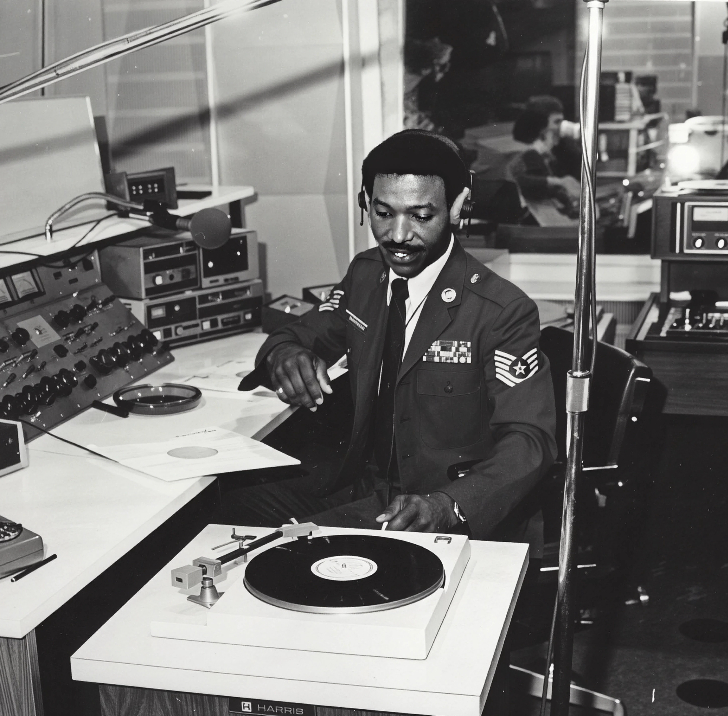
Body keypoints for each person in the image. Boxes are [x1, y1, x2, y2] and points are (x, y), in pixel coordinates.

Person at [228, 129, 557, 538]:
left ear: (457, 208)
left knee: (285, 548)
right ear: (365, 203)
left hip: (436, 508)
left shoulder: (500, 310)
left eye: (421, 216)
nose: (398, 236)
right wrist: (285, 356)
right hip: (363, 487)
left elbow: (530, 440)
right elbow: (296, 335)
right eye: (384, 213)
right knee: (225, 513)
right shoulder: (366, 275)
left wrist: (450, 504)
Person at [506, 96, 581, 225]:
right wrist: (560, 182)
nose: (561, 128)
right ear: (541, 127)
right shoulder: (527, 153)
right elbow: (522, 182)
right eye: (556, 122)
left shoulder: (550, 153)